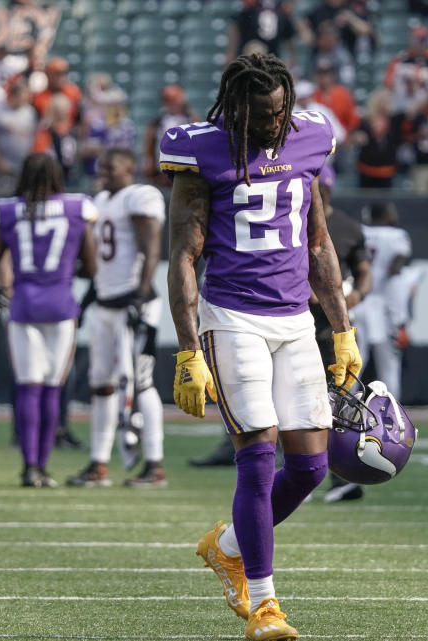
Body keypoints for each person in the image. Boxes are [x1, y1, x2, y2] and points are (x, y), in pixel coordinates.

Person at [160, 53, 360, 641]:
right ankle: (267, 605)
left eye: (280, 111)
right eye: (261, 114)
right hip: (232, 317)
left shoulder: (309, 137)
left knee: (311, 466)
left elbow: (318, 243)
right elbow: (183, 256)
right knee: (258, 456)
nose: (274, 122)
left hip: (296, 318)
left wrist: (342, 328)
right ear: (236, 109)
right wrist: (188, 349)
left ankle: (227, 545)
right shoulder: (201, 151)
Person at [0, 153, 97, 488]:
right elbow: (90, 267)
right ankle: (42, 466)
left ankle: (30, 467)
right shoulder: (77, 209)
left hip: (25, 304)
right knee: (51, 389)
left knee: (28, 387)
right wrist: (61, 273)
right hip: (60, 304)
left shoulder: (7, 211)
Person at [67, 148, 166, 489]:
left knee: (141, 382)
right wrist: (88, 299)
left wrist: (139, 295)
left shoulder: (139, 196)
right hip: (107, 303)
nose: (104, 169)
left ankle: (155, 464)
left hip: (133, 303)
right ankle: (99, 463)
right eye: (102, 165)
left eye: (111, 165)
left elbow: (151, 247)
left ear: (129, 167)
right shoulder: (101, 201)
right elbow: (102, 264)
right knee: (101, 384)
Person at [310, 164, 372, 503]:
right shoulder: (290, 218)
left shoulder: (347, 227)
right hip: (296, 322)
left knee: (341, 405)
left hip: (334, 327)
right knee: (295, 403)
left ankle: (345, 476)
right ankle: (297, 472)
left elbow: (364, 273)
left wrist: (356, 295)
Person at [359, 202, 411, 399]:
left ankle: (343, 413)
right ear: (386, 214)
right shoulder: (397, 236)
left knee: (354, 362)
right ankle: (392, 413)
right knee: (389, 364)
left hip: (360, 300)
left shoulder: (360, 231)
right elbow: (395, 270)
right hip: (382, 304)